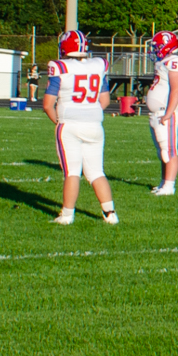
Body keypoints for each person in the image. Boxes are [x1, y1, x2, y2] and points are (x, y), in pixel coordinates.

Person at [43, 30, 116, 225]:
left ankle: (67, 216)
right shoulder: (97, 65)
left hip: (70, 124)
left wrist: (59, 121)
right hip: (94, 124)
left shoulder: (59, 67)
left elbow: (48, 104)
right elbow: (105, 100)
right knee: (96, 172)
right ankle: (110, 214)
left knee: (72, 172)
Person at [146, 29, 178, 197]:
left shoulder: (175, 62)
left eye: (157, 47)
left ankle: (169, 186)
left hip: (166, 112)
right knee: (162, 151)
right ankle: (164, 183)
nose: (155, 50)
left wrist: (169, 113)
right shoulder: (165, 62)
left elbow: (176, 90)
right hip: (159, 113)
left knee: (169, 150)